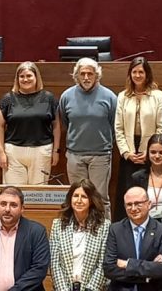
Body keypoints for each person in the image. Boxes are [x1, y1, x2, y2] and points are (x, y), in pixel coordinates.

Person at [60, 57, 117, 217]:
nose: (86, 77)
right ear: (76, 75)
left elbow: (114, 125)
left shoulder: (110, 97)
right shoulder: (66, 96)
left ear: (96, 75)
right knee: (77, 198)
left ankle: (104, 236)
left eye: (90, 74)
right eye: (82, 74)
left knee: (100, 198)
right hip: (74, 155)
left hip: (100, 156)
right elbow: (65, 122)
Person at [114, 57, 162, 221]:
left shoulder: (157, 95)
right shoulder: (123, 96)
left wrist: (149, 152)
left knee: (145, 190)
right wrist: (126, 152)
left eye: (141, 72)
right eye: (134, 72)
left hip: (150, 151)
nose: (137, 75)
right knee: (127, 190)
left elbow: (161, 126)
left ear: (147, 74)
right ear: (130, 74)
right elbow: (118, 128)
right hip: (129, 152)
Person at [0, 186, 50, 290]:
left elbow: (39, 268)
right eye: (3, 204)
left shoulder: (36, 232)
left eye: (13, 205)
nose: (7, 209)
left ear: (22, 208)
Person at [0, 61, 60, 185]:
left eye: (29, 76)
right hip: (13, 152)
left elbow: (56, 126)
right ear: (17, 79)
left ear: (36, 77)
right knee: (13, 193)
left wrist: (56, 151)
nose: (25, 79)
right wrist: (1, 152)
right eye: (22, 76)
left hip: (41, 151)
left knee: (38, 196)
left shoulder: (49, 98)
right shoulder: (7, 99)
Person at [103, 186, 162, 290]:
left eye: (137, 203)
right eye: (129, 204)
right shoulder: (115, 229)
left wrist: (127, 264)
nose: (133, 208)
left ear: (149, 204)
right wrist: (146, 275)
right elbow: (108, 269)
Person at [50, 179, 111, 291]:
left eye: (84, 197)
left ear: (91, 200)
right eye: (75, 196)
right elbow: (55, 264)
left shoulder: (104, 226)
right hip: (64, 288)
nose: (78, 200)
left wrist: (90, 289)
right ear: (70, 198)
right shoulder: (58, 225)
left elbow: (103, 263)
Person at [130, 133, 162, 241]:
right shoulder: (137, 177)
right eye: (153, 152)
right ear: (147, 153)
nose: (157, 156)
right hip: (146, 226)